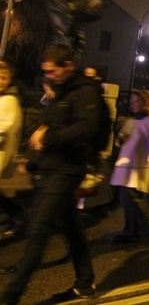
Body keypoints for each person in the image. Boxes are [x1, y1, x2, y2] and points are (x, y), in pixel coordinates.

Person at [1, 45, 98, 304]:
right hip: (53, 168)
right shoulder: (62, 92)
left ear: (68, 66)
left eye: (53, 71)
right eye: (46, 72)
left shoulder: (85, 92)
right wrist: (32, 161)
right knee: (71, 227)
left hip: (67, 171)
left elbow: (86, 128)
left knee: (38, 229)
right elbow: (45, 128)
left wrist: (49, 137)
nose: (49, 77)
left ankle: (10, 296)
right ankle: (85, 282)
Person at [109, 89, 149, 242]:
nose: (133, 105)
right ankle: (132, 230)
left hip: (135, 169)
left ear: (145, 103)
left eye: (137, 102)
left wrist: (139, 152)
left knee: (132, 201)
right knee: (126, 201)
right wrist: (123, 139)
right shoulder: (134, 120)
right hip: (126, 167)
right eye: (132, 102)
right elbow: (126, 139)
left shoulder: (148, 121)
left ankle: (141, 229)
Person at [0, 60, 24, 238]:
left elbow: (4, 127)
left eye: (4, 77)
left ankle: (17, 213)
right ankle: (17, 213)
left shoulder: (9, 100)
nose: (1, 81)